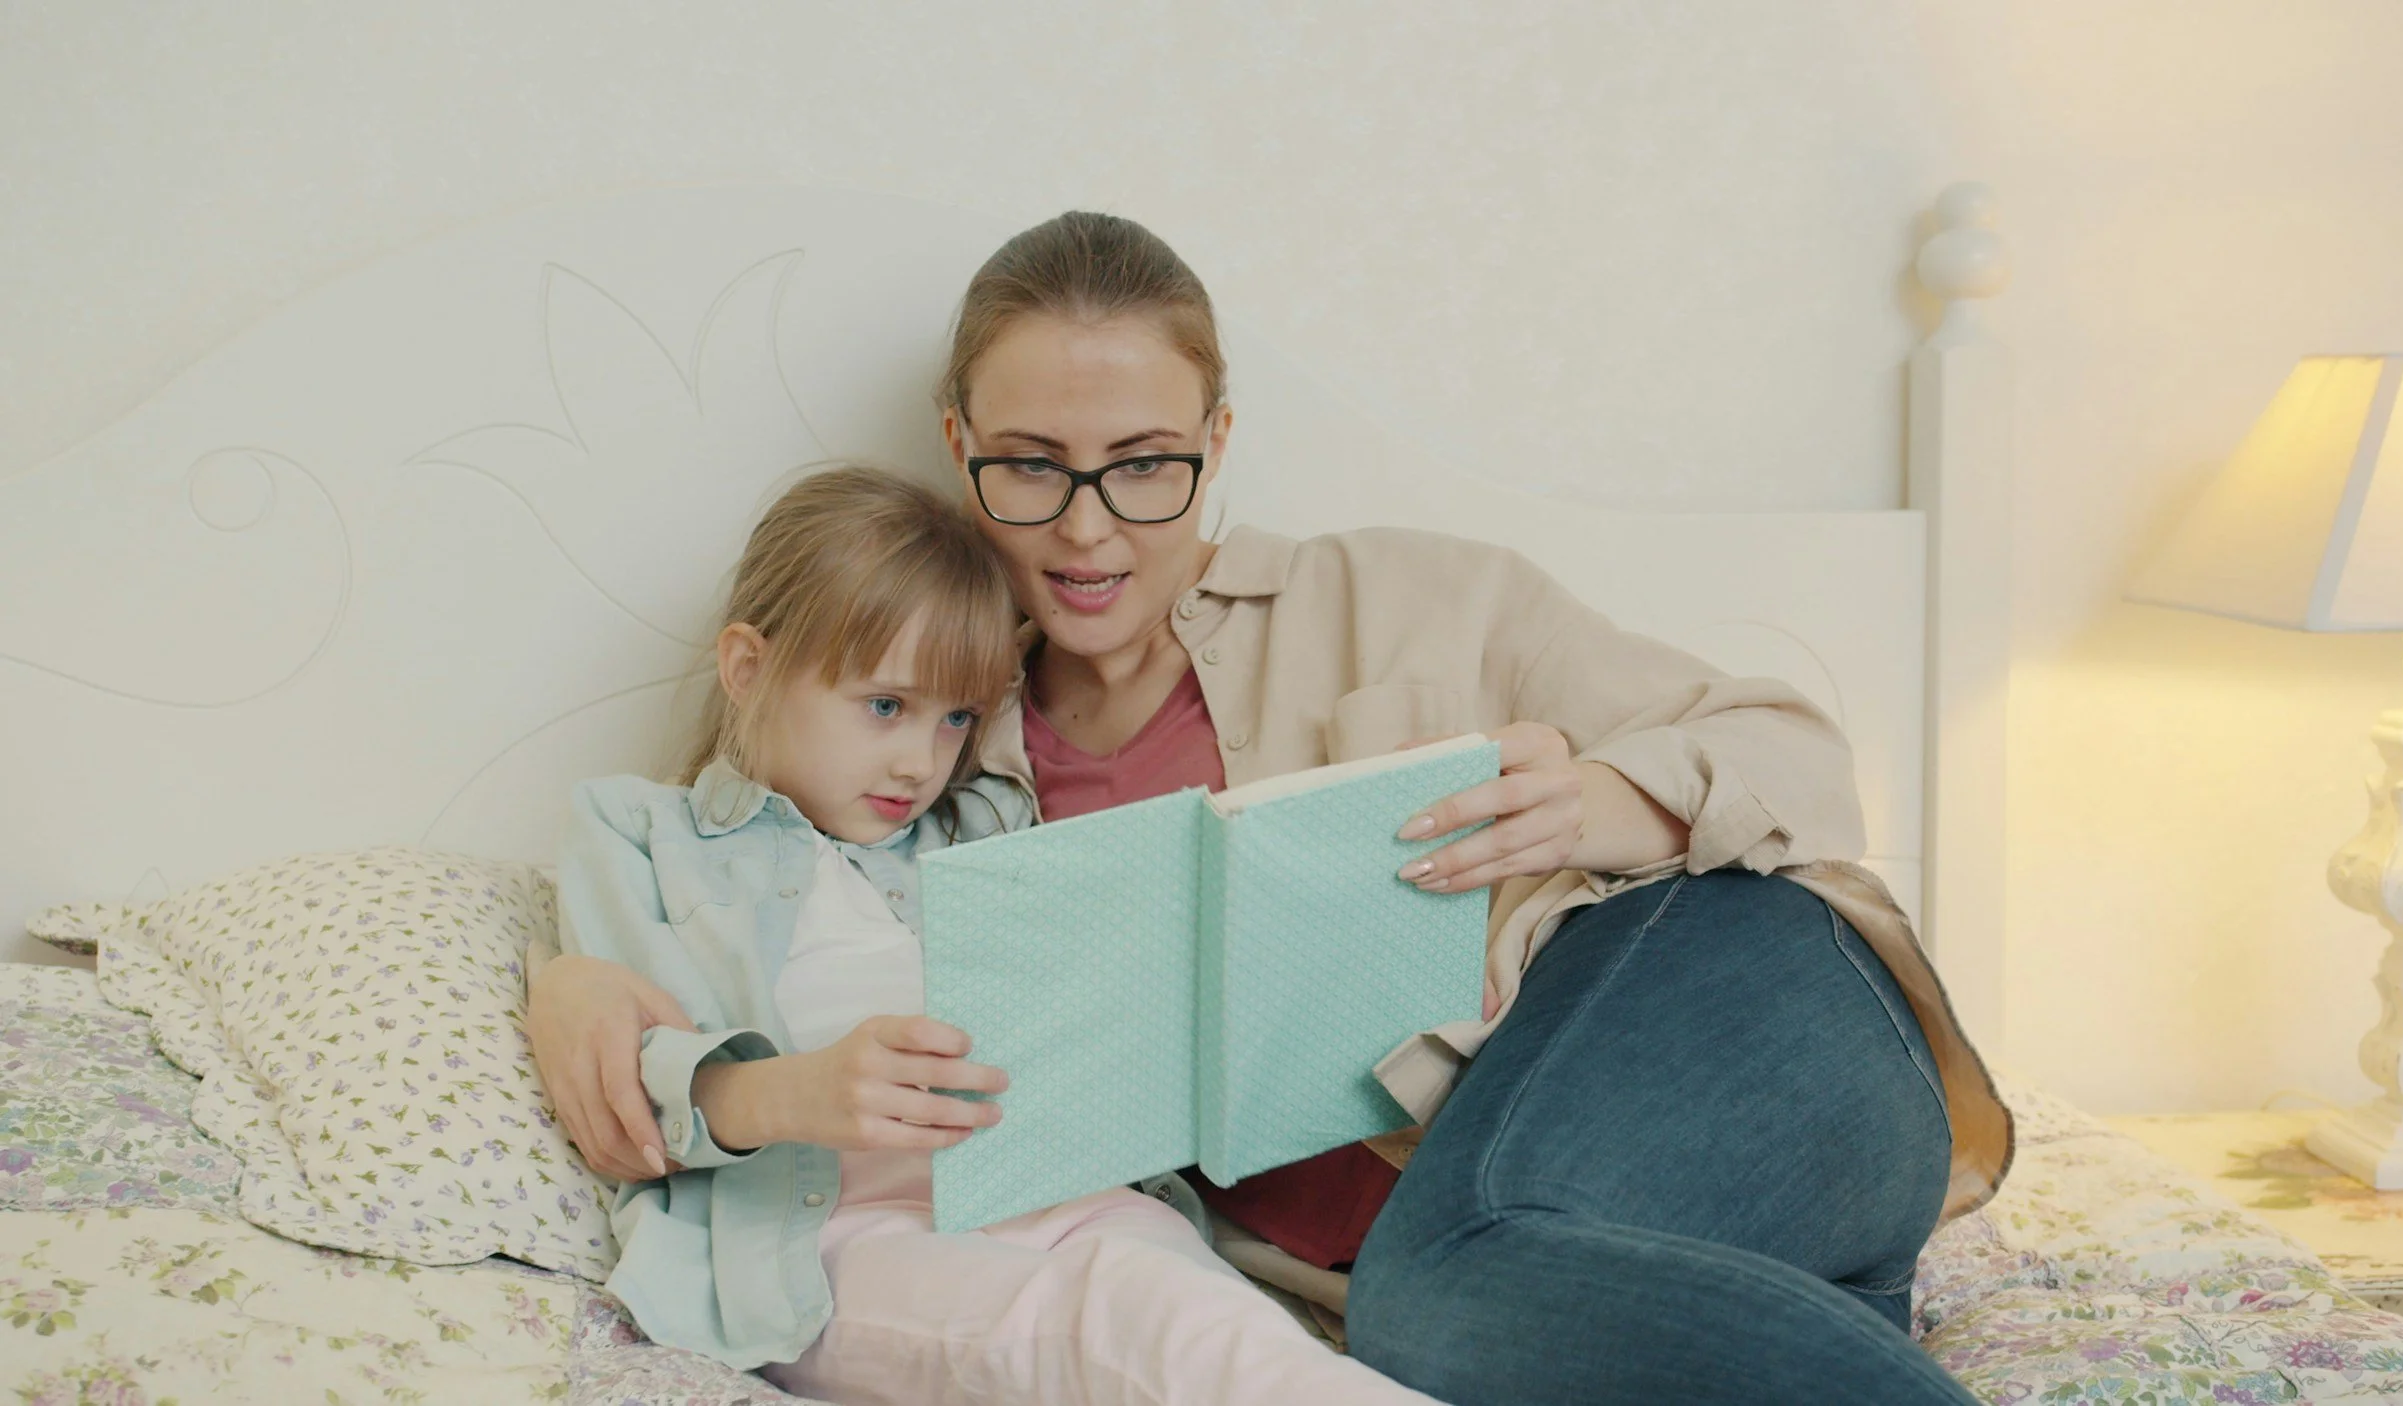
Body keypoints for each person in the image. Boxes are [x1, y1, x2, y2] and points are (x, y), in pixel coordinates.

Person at [530, 213, 2010, 1405]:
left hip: (1747, 1011)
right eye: (1032, 468)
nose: (1091, 525)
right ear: (960, 445)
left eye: (1147, 467)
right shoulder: (934, 755)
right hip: (1601, 1248)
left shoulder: (1412, 598)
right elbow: (742, 865)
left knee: (1443, 1291)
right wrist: (570, 979)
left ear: (1219, 442)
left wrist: (1604, 798)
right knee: (1445, 1315)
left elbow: (1799, 751)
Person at [555, 466, 1436, 1404]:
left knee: (1226, 1336)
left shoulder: (983, 827)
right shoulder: (641, 835)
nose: (918, 760)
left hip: (1064, 1200)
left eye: (957, 719)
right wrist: (793, 1092)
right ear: (749, 668)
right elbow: (623, 1093)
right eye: (886, 706)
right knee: (1112, 1327)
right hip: (827, 1240)